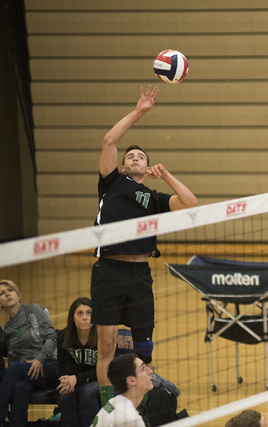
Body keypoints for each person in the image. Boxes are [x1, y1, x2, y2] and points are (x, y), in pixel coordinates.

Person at [91, 85, 197, 405]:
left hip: (139, 274)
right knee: (107, 344)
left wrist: (165, 176)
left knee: (144, 350)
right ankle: (110, 406)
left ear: (146, 166)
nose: (135, 158)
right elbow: (110, 140)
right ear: (123, 166)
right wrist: (140, 111)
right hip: (108, 269)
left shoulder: (154, 198)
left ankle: (142, 408)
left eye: (141, 156)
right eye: (130, 156)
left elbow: (191, 203)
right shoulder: (112, 181)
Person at [0, 280, 59, 427]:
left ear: (18, 295)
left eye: (10, 290)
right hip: (29, 373)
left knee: (13, 369)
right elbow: (13, 356)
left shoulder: (33, 310)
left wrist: (40, 359)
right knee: (19, 387)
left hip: (50, 367)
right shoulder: (7, 327)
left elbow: (51, 337)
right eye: (2, 293)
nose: (7, 294)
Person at [57, 297, 101, 427]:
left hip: (100, 379)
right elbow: (64, 367)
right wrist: (69, 380)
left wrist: (77, 378)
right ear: (72, 317)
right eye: (79, 313)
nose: (85, 317)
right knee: (66, 392)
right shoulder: (63, 337)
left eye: (89, 313)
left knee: (87, 391)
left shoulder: (102, 336)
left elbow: (104, 370)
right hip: (76, 379)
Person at [90, 353, 154, 427]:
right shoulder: (131, 418)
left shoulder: (115, 402)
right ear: (131, 380)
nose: (150, 371)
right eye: (143, 368)